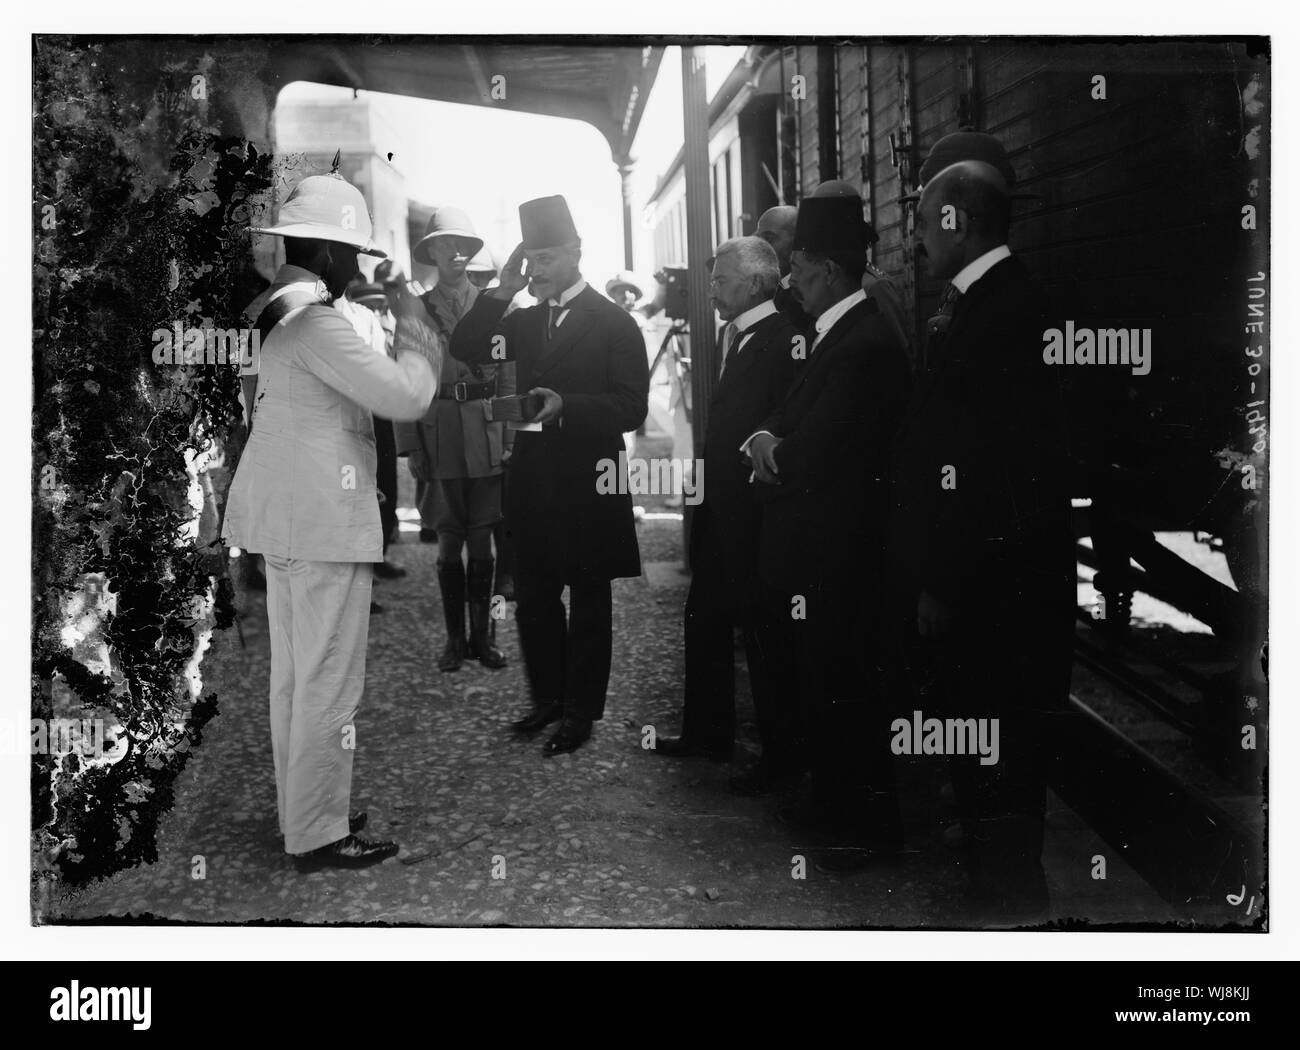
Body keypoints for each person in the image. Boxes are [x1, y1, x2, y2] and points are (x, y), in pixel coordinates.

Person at [222, 163, 436, 869]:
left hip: (287, 523)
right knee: (327, 680)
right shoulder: (315, 323)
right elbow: (404, 395)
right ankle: (318, 832)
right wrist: (414, 325)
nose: (357, 266)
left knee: (295, 676)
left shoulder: (286, 317)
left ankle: (305, 811)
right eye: (352, 254)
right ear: (327, 251)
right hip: (320, 526)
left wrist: (366, 311)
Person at [889, 156, 1073, 920]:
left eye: (926, 220)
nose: (917, 237)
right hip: (1000, 588)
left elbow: (990, 475)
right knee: (984, 747)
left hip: (998, 594)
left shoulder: (1005, 313)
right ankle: (993, 894)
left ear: (959, 220)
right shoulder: (990, 301)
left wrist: (944, 581)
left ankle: (1011, 913)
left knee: (1001, 752)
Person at [743, 194, 912, 872]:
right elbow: (788, 417)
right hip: (826, 549)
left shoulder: (860, 344)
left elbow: (812, 449)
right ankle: (840, 810)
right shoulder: (842, 334)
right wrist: (767, 436)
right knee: (831, 681)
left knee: (846, 686)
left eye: (802, 267)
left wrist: (768, 448)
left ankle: (864, 832)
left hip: (841, 552)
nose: (791, 281)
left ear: (832, 269)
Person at [449, 195, 649, 756]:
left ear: (576, 253)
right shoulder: (523, 319)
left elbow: (632, 406)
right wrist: (503, 288)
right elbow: (466, 348)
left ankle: (580, 714)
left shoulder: (614, 322)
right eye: (530, 259)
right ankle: (548, 701)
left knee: (588, 600)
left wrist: (570, 406)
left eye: (546, 259)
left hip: (590, 479)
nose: (536, 269)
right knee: (534, 598)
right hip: (534, 479)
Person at [652, 237, 802, 776]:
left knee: (763, 634)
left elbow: (785, 420)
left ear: (757, 283)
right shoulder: (733, 334)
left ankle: (780, 760)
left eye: (721, 281)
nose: (711, 291)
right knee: (704, 618)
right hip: (721, 512)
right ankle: (706, 735)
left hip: (757, 516)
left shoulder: (786, 339)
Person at [396, 206, 511, 672]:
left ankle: (483, 638)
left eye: (464, 244)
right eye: (447, 244)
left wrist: (510, 438)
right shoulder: (416, 310)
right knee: (447, 545)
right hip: (438, 431)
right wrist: (411, 446)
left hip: (485, 432)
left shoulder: (492, 305)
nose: (457, 252)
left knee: (483, 544)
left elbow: (508, 375)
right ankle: (453, 640)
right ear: (433, 253)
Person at [341, 276, 406, 591]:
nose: (381, 315)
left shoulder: (388, 329)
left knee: (386, 484)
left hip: (381, 416)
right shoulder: (347, 321)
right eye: (374, 308)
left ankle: (379, 555)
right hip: (354, 415)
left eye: (384, 308)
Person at [755, 204, 811, 332]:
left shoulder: (809, 295)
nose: (760, 247)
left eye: (769, 238)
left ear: (798, 240)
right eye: (758, 239)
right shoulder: (771, 289)